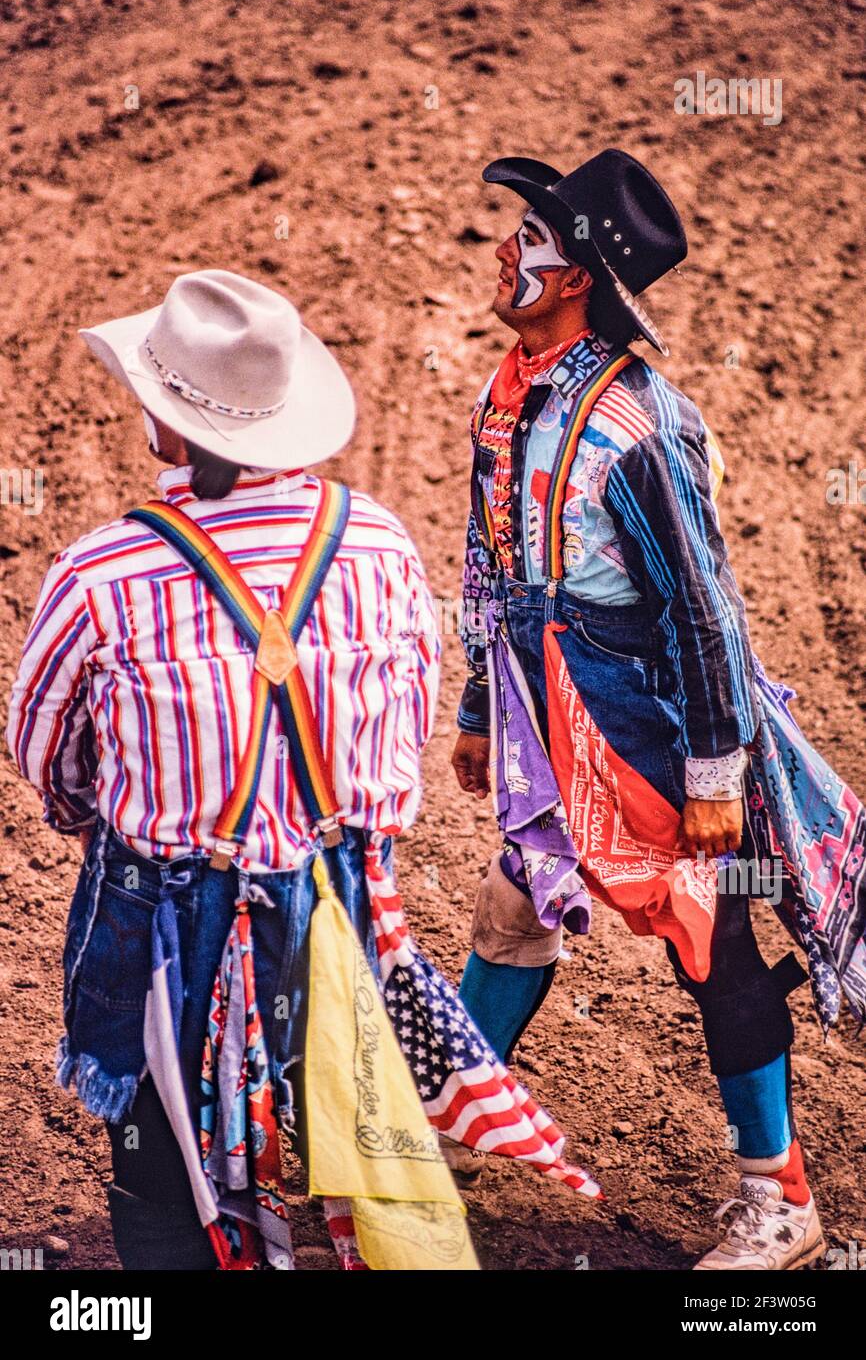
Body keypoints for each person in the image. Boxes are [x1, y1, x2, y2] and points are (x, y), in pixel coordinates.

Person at [7, 269, 598, 1271]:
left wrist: (119, 809)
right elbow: (404, 728)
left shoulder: (100, 574)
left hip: (161, 921)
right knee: (348, 1122)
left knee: (159, 1170)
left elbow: (48, 760)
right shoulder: (376, 543)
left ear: (172, 422)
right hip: (342, 908)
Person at [449, 149, 866, 1270]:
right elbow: (488, 564)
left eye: (530, 238)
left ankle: (777, 1200)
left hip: (643, 722)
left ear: (577, 272)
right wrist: (484, 705)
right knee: (518, 895)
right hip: (552, 720)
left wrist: (715, 774)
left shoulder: (638, 425)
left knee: (712, 935)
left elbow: (705, 609)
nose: (503, 250)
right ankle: (426, 1122)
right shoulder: (505, 396)